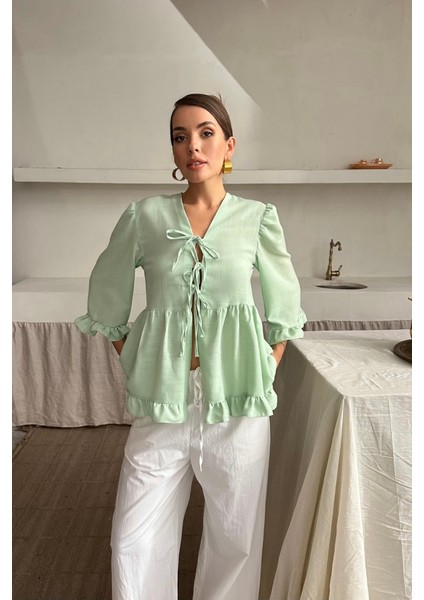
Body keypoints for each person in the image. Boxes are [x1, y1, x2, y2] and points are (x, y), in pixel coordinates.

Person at [74, 93, 307, 600]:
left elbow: (284, 302)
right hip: (163, 398)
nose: (193, 147)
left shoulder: (257, 217)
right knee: (133, 538)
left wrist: (268, 364)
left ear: (229, 145)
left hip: (238, 399)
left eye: (205, 133)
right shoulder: (145, 216)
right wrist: (130, 355)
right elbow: (107, 290)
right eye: (180, 137)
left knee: (235, 538)